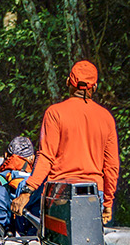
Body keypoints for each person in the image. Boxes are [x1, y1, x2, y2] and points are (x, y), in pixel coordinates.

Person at [13, 60, 121, 223]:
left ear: (67, 82)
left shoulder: (55, 113)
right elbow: (111, 166)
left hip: (60, 194)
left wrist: (27, 191)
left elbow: (46, 157)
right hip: (93, 194)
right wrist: (107, 202)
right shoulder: (106, 118)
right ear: (95, 87)